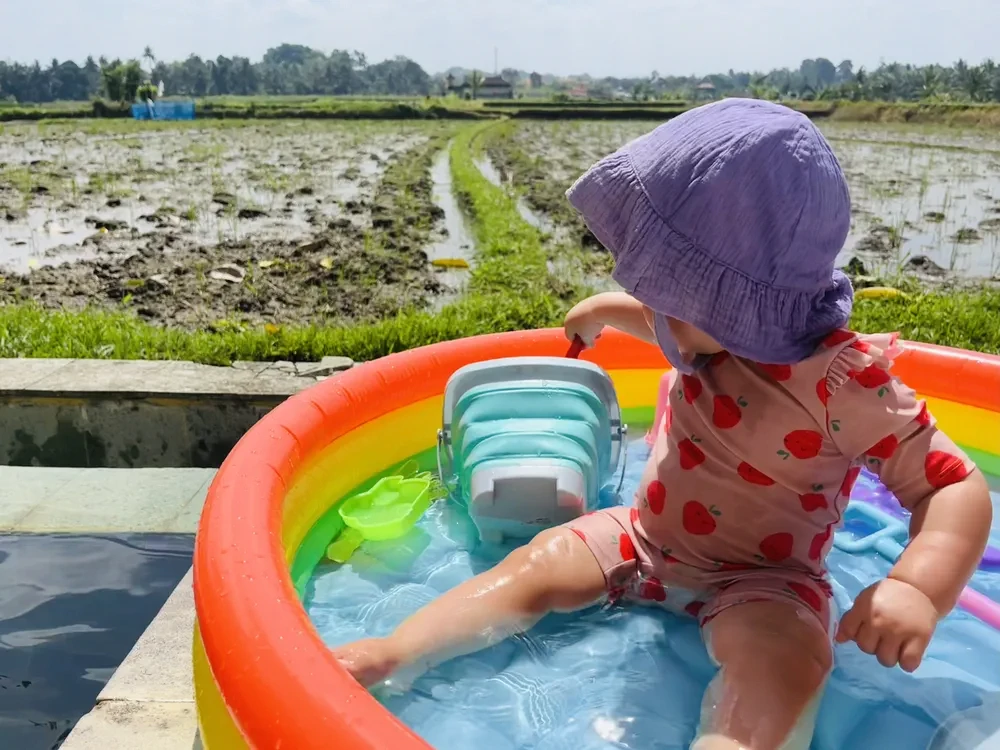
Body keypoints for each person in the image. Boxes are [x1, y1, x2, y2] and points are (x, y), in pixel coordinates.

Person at [333, 99, 992, 750]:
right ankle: (394, 654)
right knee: (536, 565)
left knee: (785, 662)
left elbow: (952, 486)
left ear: (737, 304)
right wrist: (603, 312)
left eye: (669, 295)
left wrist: (915, 588)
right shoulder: (702, 329)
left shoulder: (844, 384)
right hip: (642, 539)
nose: (656, 311)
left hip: (764, 579)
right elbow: (669, 324)